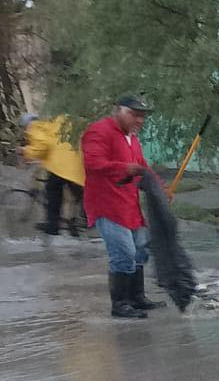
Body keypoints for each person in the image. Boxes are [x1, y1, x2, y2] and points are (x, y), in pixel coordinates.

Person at [81, 94, 163, 319]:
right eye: (134, 114)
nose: (139, 120)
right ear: (118, 110)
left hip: (129, 205)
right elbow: (93, 162)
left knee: (139, 250)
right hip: (106, 205)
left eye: (142, 116)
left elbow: (142, 166)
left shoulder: (133, 138)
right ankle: (120, 304)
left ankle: (137, 297)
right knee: (124, 253)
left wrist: (159, 187)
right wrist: (124, 168)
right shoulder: (99, 131)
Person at [19, 113, 86, 236]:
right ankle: (78, 224)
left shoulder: (35, 127)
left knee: (53, 193)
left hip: (60, 166)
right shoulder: (53, 123)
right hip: (74, 164)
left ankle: (53, 227)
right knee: (76, 195)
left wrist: (25, 151)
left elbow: (42, 147)